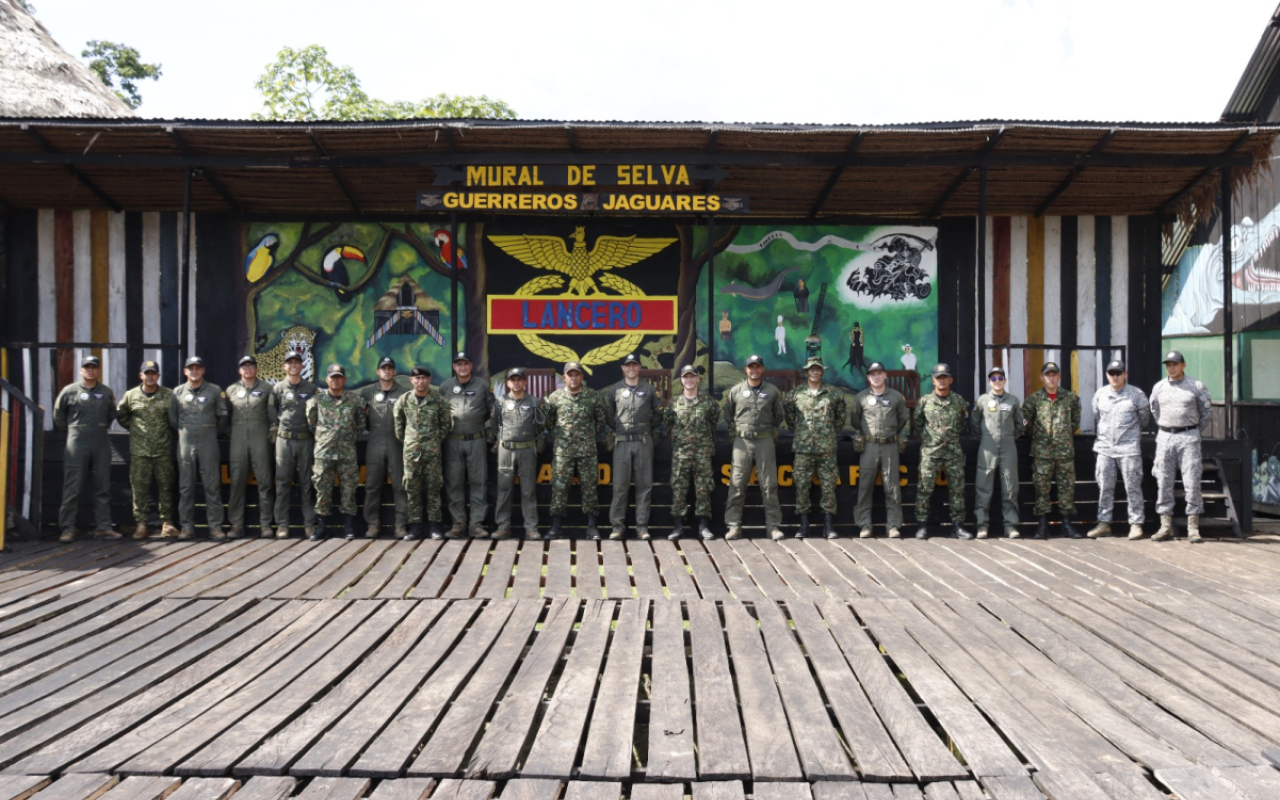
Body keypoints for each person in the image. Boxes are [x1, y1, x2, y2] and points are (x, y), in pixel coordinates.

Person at [1149, 350, 1212, 543]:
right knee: (1163, 481)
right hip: (1166, 437)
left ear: (1183, 365)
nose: (1172, 367)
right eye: (1168, 364)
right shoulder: (1159, 387)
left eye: (1175, 364)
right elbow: (1155, 410)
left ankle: (1193, 527)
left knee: (1192, 481)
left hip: (1189, 437)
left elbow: (1206, 413)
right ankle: (1165, 525)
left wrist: (1191, 430)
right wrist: (1168, 426)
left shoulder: (1196, 386)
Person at [55, 355, 118, 542]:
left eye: (94, 367)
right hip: (77, 442)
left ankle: (104, 527)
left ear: (98, 370)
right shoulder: (69, 391)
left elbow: (111, 415)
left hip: (100, 440)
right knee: (72, 486)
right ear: (81, 370)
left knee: (103, 485)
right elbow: (59, 416)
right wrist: (75, 431)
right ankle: (68, 528)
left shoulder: (106, 392)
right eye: (87, 367)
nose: (90, 370)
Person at [723, 354, 787, 540]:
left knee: (769, 484)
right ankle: (734, 526)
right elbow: (729, 416)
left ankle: (773, 526)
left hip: (765, 441)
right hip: (742, 442)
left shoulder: (773, 391)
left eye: (757, 367)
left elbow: (778, 417)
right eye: (751, 367)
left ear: (762, 369)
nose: (754, 370)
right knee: (737, 483)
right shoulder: (735, 391)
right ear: (745, 369)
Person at [1088, 360, 1152, 540]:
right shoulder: (1100, 394)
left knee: (1133, 487)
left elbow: (1144, 419)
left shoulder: (1136, 395)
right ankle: (1104, 523)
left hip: (1128, 449)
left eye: (1118, 373)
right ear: (1107, 375)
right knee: (1104, 487)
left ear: (1126, 374)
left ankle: (1136, 524)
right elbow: (1097, 416)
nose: (1115, 376)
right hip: (1105, 448)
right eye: (1111, 373)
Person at [545, 361, 609, 539]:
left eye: (577, 374)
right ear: (564, 377)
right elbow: (549, 422)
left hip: (587, 451)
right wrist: (562, 437)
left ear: (582, 377)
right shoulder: (555, 397)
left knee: (590, 489)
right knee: (559, 489)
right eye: (570, 375)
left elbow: (601, 422)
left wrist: (585, 436)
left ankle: (591, 527)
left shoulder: (593, 396)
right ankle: (556, 527)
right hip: (562, 453)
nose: (573, 378)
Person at [784, 356, 846, 539]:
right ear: (806, 372)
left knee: (828, 487)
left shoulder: (834, 393)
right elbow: (790, 419)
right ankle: (804, 524)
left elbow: (840, 419)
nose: (815, 372)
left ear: (822, 371)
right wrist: (803, 433)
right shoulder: (795, 394)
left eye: (818, 369)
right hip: (803, 449)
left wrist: (825, 432)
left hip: (826, 448)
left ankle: (828, 525)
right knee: (802, 486)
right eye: (812, 369)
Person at [116, 360, 178, 540]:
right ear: (141, 375)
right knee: (139, 489)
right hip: (139, 450)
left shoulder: (168, 395)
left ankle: (167, 523)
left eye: (153, 373)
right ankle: (141, 524)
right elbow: (121, 415)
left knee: (166, 487)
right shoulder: (130, 395)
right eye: (147, 373)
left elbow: (175, 418)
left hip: (163, 450)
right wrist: (134, 428)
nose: (150, 376)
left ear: (158, 376)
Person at [169, 355, 230, 539]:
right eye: (191, 368)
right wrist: (184, 431)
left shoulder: (214, 391)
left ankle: (215, 527)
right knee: (186, 486)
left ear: (203, 370)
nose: (194, 371)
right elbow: (172, 418)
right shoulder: (177, 392)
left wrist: (210, 432)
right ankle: (187, 527)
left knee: (212, 485)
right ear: (185, 371)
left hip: (208, 441)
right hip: (185, 442)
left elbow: (222, 416)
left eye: (198, 368)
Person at [604, 353, 663, 540]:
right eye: (627, 365)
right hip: (621, 443)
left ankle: (642, 527)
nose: (631, 369)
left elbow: (657, 415)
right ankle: (617, 526)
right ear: (622, 368)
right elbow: (609, 415)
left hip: (643, 442)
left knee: (644, 486)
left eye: (634, 365)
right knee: (620, 487)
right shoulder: (614, 390)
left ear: (639, 368)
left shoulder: (649, 390)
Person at [307, 364, 369, 540]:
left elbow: (361, 425)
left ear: (344, 379)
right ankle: (321, 527)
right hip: (323, 453)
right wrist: (327, 437)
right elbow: (312, 424)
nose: (336, 380)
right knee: (322, 489)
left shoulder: (355, 401)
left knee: (349, 489)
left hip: (347, 452)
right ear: (327, 380)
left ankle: (348, 527)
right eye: (332, 377)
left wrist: (346, 437)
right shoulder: (316, 401)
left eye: (339, 377)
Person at [850, 361, 910, 538]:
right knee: (865, 485)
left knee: (892, 486)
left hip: (890, 445)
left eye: (879, 373)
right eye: (872, 374)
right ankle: (864, 525)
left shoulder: (897, 397)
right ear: (868, 377)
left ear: (885, 375)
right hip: (868, 446)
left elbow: (902, 419)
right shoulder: (860, 397)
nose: (876, 377)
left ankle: (893, 525)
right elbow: (855, 421)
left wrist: (890, 433)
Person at [1023, 361, 1082, 539]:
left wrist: (1060, 436)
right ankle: (1042, 525)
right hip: (1042, 453)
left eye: (1054, 374)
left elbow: (1075, 423)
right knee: (1041, 489)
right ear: (1042, 378)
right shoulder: (1033, 400)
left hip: (1064, 452)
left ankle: (1067, 525)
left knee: (1066, 489)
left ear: (1059, 377)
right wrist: (1042, 438)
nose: (1051, 378)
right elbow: (1027, 424)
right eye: (1048, 375)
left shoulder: (1071, 398)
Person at [439, 351, 495, 539]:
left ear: (471, 365)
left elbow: (490, 411)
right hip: (452, 440)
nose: (462, 367)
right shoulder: (446, 387)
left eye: (465, 364)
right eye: (458, 364)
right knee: (454, 482)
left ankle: (476, 524)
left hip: (476, 440)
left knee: (478, 481)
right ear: (454, 367)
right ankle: (458, 523)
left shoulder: (482, 385)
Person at [914, 363, 972, 540]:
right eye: (939, 378)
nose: (942, 380)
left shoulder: (959, 401)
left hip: (953, 451)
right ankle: (922, 526)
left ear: (951, 380)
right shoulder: (924, 401)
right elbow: (918, 424)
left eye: (945, 377)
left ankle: (958, 526)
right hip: (930, 452)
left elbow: (963, 422)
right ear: (933, 380)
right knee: (924, 489)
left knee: (957, 490)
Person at [395, 365, 452, 540]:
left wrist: (433, 441)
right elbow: (399, 426)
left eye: (424, 378)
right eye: (417, 378)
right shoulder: (404, 400)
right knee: (412, 488)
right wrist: (411, 442)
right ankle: (415, 526)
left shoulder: (439, 400)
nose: (420, 381)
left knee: (434, 488)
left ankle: (435, 526)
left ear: (429, 380)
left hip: (432, 452)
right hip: (411, 453)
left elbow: (445, 425)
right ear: (412, 380)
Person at [664, 365, 719, 541]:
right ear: (681, 380)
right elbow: (668, 423)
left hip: (702, 453)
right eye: (686, 377)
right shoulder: (674, 403)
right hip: (681, 454)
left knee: (703, 489)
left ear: (697, 379)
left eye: (692, 377)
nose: (689, 380)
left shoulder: (708, 402)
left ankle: (703, 526)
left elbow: (713, 422)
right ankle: (678, 526)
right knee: (679, 489)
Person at [490, 367, 546, 540]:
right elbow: (493, 425)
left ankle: (531, 528)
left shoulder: (534, 402)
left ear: (524, 382)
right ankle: (503, 526)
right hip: (506, 450)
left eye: (519, 379)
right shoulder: (500, 402)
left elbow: (541, 426)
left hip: (527, 450)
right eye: (513, 379)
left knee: (528, 491)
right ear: (508, 383)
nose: (516, 382)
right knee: (504, 489)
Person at [972, 365, 1025, 539]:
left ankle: (1010, 526)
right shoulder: (981, 401)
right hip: (987, 446)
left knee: (1010, 486)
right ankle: (982, 525)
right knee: (983, 485)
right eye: (993, 378)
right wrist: (987, 438)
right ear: (989, 381)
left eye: (1000, 378)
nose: (997, 381)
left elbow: (1020, 425)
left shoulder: (1013, 401)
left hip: (1009, 446)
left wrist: (1009, 436)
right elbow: (975, 423)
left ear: (1004, 380)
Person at [270, 350, 319, 538]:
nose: (293, 366)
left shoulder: (311, 389)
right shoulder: (277, 389)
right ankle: (282, 525)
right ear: (284, 367)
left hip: (305, 439)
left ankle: (309, 524)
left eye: (296, 363)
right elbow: (271, 413)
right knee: (282, 483)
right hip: (284, 440)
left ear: (302, 366)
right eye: (289, 363)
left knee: (306, 484)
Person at [226, 355, 275, 539]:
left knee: (265, 482)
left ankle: (265, 524)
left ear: (256, 369)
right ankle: (236, 525)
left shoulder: (267, 389)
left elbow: (272, 416)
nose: (248, 368)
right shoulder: (231, 390)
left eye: (251, 365)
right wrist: (234, 434)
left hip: (260, 439)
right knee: (237, 482)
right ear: (239, 370)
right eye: (244, 366)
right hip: (237, 440)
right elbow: (224, 418)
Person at [359, 357, 409, 538]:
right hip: (375, 442)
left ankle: (400, 525)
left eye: (390, 368)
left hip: (397, 443)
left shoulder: (405, 393)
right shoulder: (367, 393)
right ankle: (373, 524)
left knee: (400, 486)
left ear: (394, 371)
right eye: (383, 368)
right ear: (377, 372)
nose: (387, 371)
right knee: (372, 485)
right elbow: (360, 419)